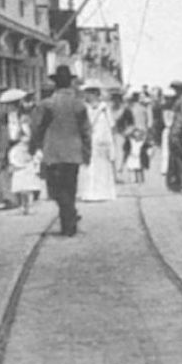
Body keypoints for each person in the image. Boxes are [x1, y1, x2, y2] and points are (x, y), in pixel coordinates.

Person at [30, 65, 91, 236]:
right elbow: (86, 131)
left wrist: (33, 146)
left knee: (56, 190)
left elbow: (37, 128)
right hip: (73, 152)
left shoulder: (46, 104)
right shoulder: (79, 105)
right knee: (70, 188)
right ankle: (69, 221)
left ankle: (69, 216)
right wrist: (87, 153)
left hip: (53, 153)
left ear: (55, 84)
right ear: (70, 83)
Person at [78, 82, 118, 202]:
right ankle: (89, 193)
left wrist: (110, 142)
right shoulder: (84, 107)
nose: (87, 96)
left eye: (89, 93)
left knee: (102, 167)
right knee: (89, 166)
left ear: (95, 94)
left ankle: (102, 192)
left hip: (102, 140)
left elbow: (111, 124)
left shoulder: (104, 108)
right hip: (89, 139)